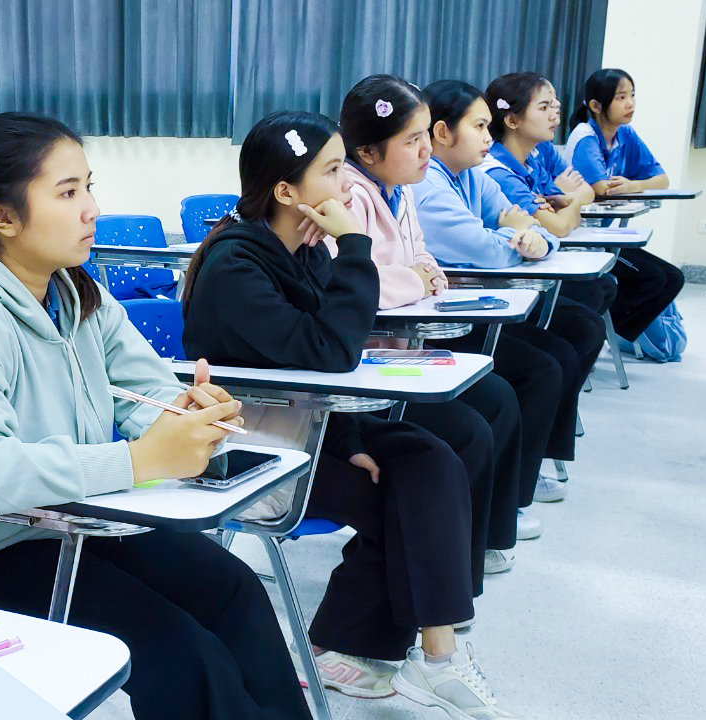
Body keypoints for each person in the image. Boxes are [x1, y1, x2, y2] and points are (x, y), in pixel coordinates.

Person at [0, 111, 311, 720]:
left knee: (234, 590)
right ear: (2, 216)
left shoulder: (73, 292)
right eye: (67, 193)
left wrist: (186, 415)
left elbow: (141, 389)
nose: (92, 209)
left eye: (88, 188)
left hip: (64, 519)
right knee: (180, 653)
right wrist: (138, 459)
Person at [180, 110, 525, 720]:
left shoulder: (306, 252)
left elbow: (328, 362)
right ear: (285, 191)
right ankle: (354, 647)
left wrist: (355, 438)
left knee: (430, 458)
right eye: (333, 170)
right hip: (248, 452)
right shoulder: (236, 267)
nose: (346, 186)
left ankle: (432, 656)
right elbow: (331, 354)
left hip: (311, 427)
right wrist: (356, 246)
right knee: (404, 498)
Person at [304, 74, 542, 562]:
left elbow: (420, 258)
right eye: (412, 140)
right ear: (367, 152)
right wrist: (414, 280)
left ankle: (483, 539)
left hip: (401, 353)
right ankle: (450, 557)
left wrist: (421, 273)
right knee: (470, 429)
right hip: (361, 371)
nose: (426, 150)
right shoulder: (348, 196)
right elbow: (354, 282)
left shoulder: (401, 189)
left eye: (425, 136)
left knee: (497, 396)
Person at [415, 79, 609, 506]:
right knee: (542, 367)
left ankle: (526, 473)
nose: (489, 137)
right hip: (439, 321)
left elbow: (537, 228)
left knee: (575, 333)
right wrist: (518, 235)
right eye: (479, 127)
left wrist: (529, 235)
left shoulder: (473, 175)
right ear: (442, 132)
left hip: (470, 305)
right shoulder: (427, 187)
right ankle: (514, 492)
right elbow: (487, 249)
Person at [480, 71, 617, 318]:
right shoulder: (498, 172)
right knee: (595, 294)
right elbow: (559, 226)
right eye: (543, 108)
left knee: (605, 285)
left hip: (537, 259)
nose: (555, 115)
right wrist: (569, 202)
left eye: (553, 106)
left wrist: (567, 203)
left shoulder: (534, 154)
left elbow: (585, 192)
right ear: (512, 120)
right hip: (509, 274)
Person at [564, 68, 685, 341]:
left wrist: (632, 186)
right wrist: (634, 184)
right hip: (581, 239)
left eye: (632, 95)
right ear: (596, 105)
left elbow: (662, 180)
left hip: (604, 236)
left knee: (673, 278)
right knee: (653, 278)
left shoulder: (625, 134)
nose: (630, 103)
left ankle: (614, 330)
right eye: (621, 97)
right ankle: (605, 330)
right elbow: (602, 189)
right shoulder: (585, 136)